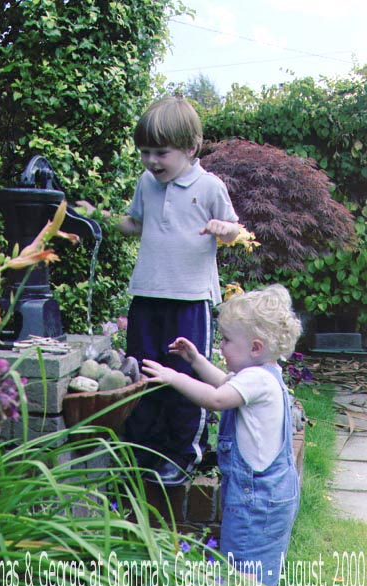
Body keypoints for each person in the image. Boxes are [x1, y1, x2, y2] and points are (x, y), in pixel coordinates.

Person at [102, 96, 239, 485]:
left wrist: (222, 230)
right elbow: (137, 223)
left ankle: (181, 456)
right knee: (143, 373)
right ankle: (142, 452)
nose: (151, 161)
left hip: (190, 300)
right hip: (147, 295)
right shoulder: (147, 182)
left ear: (190, 149)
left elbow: (233, 229)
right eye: (145, 152)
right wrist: (102, 218)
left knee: (183, 376)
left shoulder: (210, 186)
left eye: (161, 152)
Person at [142, 284, 302, 586]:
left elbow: (216, 398)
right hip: (267, 497)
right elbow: (223, 382)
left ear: (255, 347)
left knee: (243, 572)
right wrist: (195, 359)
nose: (222, 346)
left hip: (256, 502)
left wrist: (176, 378)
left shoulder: (257, 380)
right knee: (253, 571)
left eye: (226, 341)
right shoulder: (262, 374)